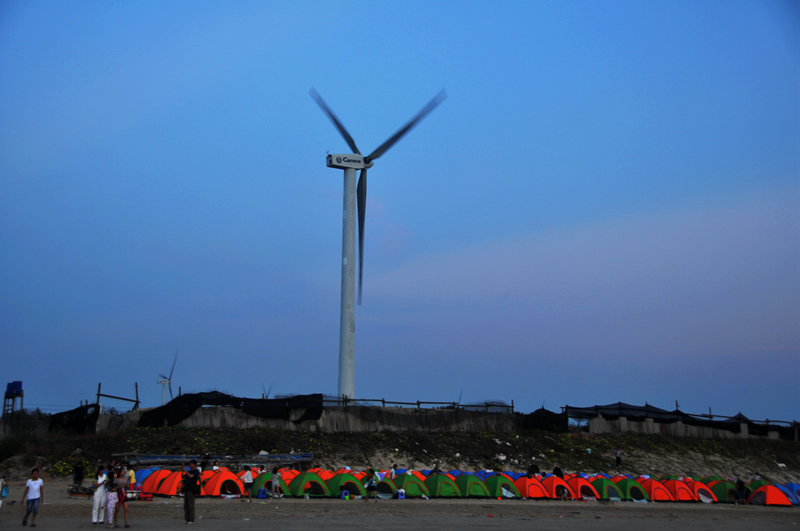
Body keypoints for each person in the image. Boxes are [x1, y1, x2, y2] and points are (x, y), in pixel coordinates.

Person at [183, 460, 200, 524]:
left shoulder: (196, 471)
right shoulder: (189, 471)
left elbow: (191, 476)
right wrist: (182, 470)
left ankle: (191, 519)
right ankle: (187, 519)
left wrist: (185, 470)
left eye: (191, 464)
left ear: (194, 465)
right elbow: (183, 477)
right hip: (186, 488)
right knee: (186, 505)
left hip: (191, 489)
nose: (190, 465)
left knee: (190, 504)